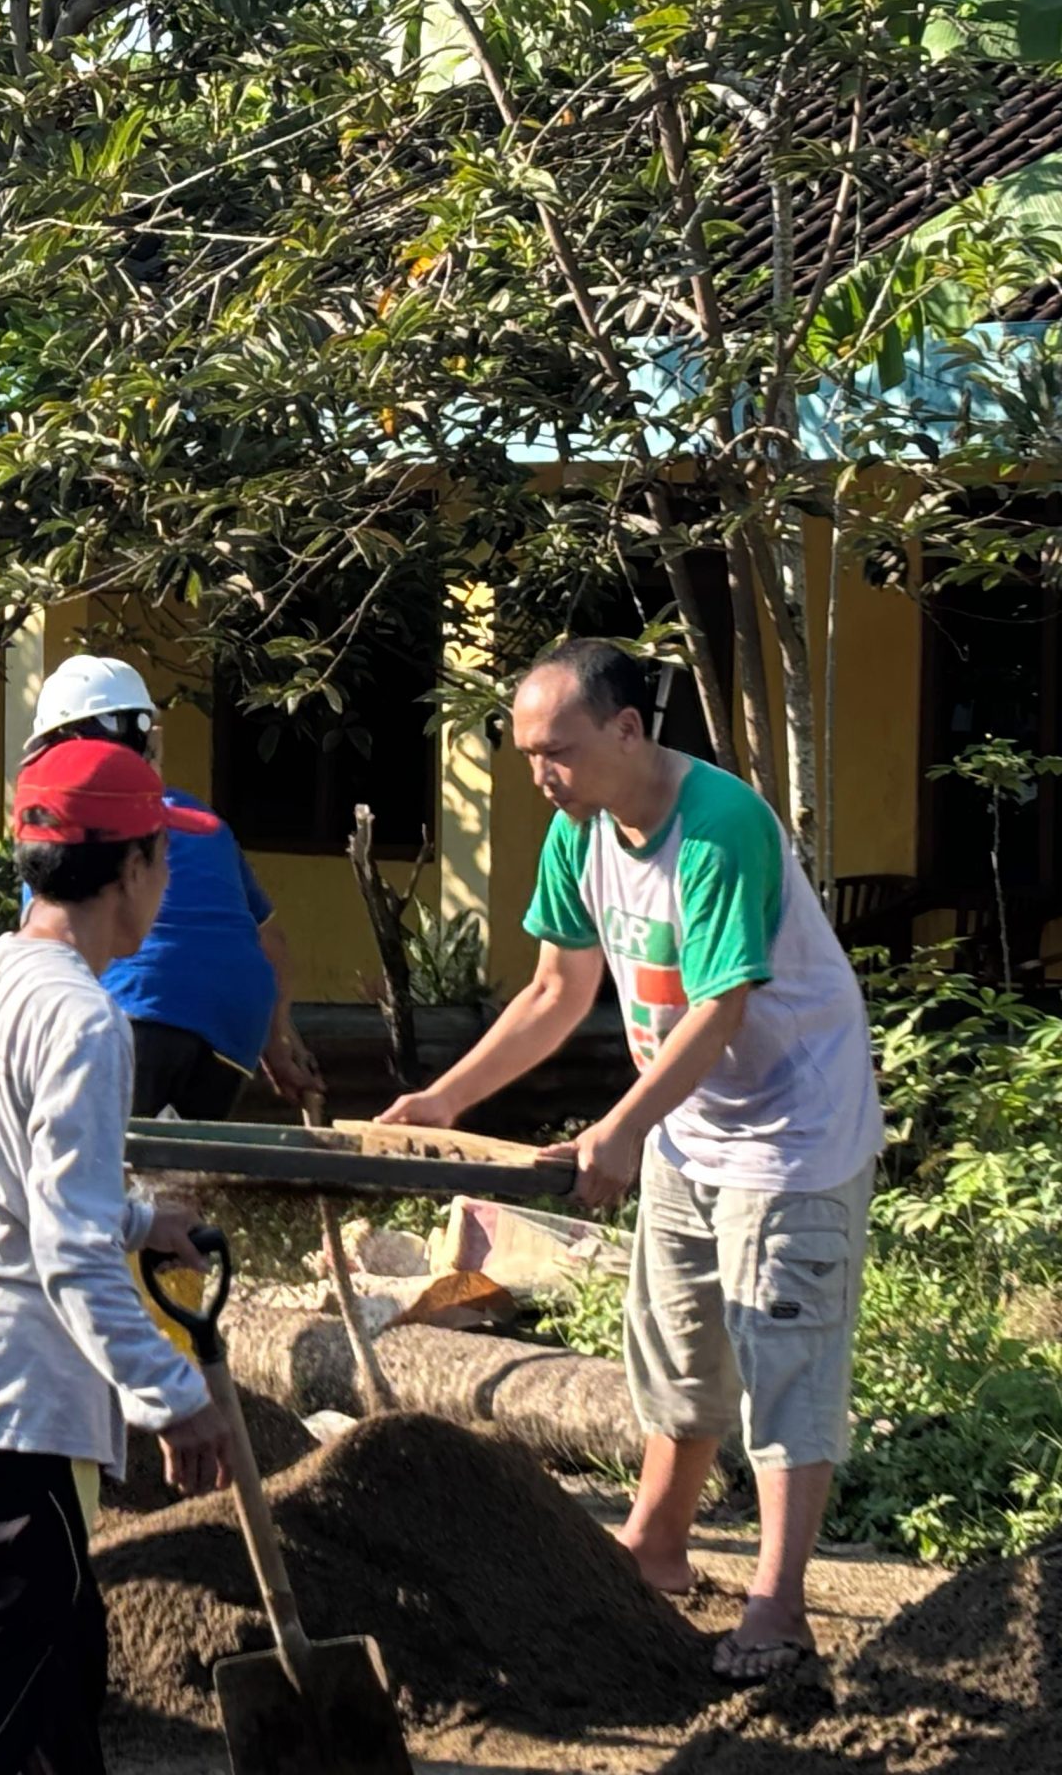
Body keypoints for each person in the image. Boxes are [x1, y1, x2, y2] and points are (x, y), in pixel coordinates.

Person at [378, 639, 883, 1688]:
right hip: (691, 1127)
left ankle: (778, 1609)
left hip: (792, 1134)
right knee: (676, 1346)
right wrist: (441, 1101)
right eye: (524, 756)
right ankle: (654, 1548)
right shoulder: (580, 834)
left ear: (625, 729)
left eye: (554, 751)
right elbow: (554, 995)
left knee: (784, 1361)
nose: (539, 776)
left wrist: (618, 1131)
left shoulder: (720, 827)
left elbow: (719, 1006)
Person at [0, 737, 239, 1775]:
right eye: (164, 859)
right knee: (1, 1643)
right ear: (131, 868)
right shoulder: (87, 1018)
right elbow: (66, 1249)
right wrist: (170, 1393)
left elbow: (18, 1179)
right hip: (21, 1380)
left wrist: (144, 1222)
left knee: (59, 1645)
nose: (166, 880)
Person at [27, 655, 318, 1120]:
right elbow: (272, 945)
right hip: (236, 1026)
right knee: (183, 1183)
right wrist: (278, 1043)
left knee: (112, 1168)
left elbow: (51, 951)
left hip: (135, 1010)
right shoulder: (207, 823)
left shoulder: (65, 824)